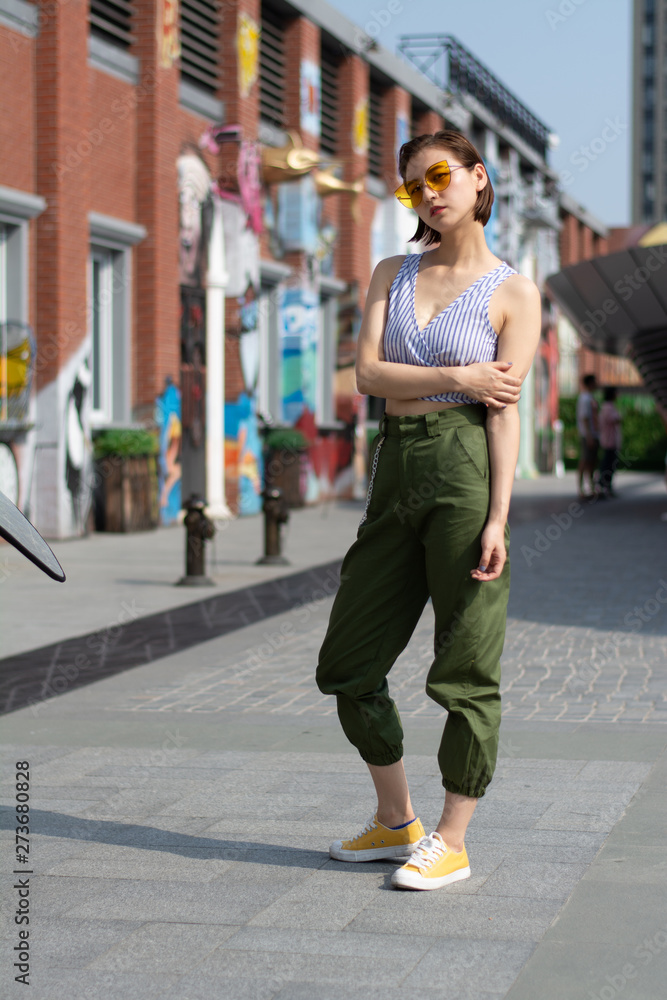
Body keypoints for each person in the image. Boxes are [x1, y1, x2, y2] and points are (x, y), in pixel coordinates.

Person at [315, 130, 541, 891]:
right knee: (346, 662)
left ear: (478, 178)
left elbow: (503, 411)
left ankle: (451, 837)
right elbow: (367, 376)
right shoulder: (391, 271)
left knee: (465, 663)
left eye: (440, 176)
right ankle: (395, 820)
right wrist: (460, 375)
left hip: (466, 471)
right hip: (395, 470)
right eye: (414, 185)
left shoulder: (513, 292)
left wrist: (497, 518)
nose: (429, 193)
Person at [576, 374, 599, 499]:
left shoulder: (590, 397)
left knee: (592, 462)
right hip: (587, 435)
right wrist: (589, 436)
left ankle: (590, 487)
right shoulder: (584, 398)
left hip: (592, 434)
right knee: (585, 461)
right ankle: (581, 489)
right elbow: (584, 418)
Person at [598, 387, 622, 497]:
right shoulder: (608, 407)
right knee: (608, 465)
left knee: (610, 464)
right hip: (609, 441)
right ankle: (604, 486)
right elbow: (615, 420)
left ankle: (606, 486)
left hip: (611, 440)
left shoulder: (609, 407)